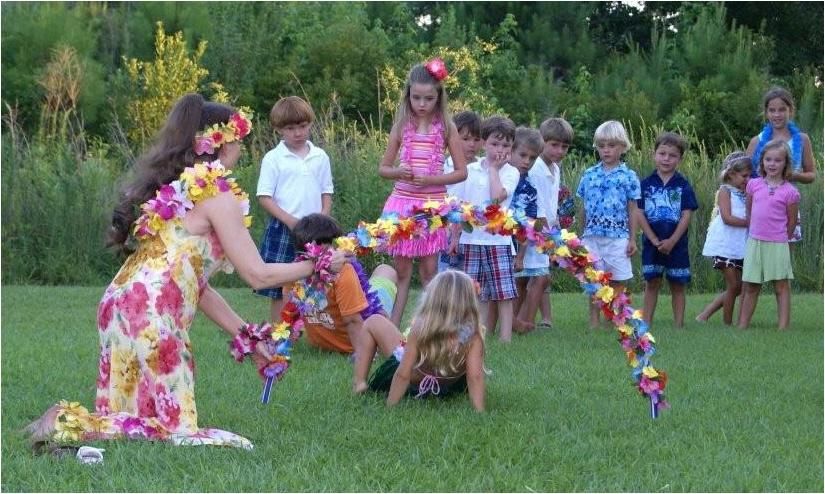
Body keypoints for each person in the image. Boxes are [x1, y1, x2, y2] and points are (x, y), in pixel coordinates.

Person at [24, 94, 348, 450]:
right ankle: (66, 422)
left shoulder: (177, 187)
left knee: (143, 423)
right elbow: (258, 275)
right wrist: (316, 265)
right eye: (239, 142)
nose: (242, 151)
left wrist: (250, 337)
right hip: (152, 313)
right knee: (181, 434)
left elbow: (200, 287)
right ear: (222, 144)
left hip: (121, 305)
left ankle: (72, 425)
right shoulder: (218, 196)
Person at [378, 58, 468, 327]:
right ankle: (392, 328)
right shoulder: (401, 126)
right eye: (416, 97)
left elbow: (462, 171)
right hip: (402, 204)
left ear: (438, 97)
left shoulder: (447, 128)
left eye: (428, 98)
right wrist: (398, 172)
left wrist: (430, 178)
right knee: (402, 271)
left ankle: (430, 328)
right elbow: (383, 168)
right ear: (408, 95)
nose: (421, 104)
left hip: (433, 207)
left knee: (430, 272)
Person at [352, 270, 486, 412]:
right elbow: (475, 376)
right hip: (449, 386)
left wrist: (390, 407)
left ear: (433, 299)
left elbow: (403, 374)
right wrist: (479, 411)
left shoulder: (421, 327)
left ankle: (359, 383)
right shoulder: (473, 334)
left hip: (414, 384)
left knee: (373, 322)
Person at [255, 96, 334, 323]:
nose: (298, 133)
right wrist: (290, 221)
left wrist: (323, 219)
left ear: (310, 124)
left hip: (316, 230)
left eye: (302, 126)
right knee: (280, 285)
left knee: (317, 279)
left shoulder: (320, 156)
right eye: (290, 128)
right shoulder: (274, 158)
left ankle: (317, 330)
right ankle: (279, 333)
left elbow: (326, 191)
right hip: (284, 228)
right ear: (279, 129)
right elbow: (264, 197)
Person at [449, 116, 520, 342]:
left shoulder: (511, 172)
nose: (500, 149)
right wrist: (454, 236)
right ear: (484, 143)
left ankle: (505, 338)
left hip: (498, 241)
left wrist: (494, 170)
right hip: (471, 240)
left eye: (506, 145)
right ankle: (473, 335)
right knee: (472, 291)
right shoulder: (468, 170)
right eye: (495, 144)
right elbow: (457, 206)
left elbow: (497, 198)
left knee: (503, 292)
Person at [290, 213, 398, 355]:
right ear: (322, 245)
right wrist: (365, 355)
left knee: (383, 273)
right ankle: (389, 326)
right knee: (386, 271)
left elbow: (289, 315)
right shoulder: (342, 271)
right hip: (355, 342)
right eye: (333, 242)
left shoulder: (293, 272)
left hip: (328, 342)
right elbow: (353, 321)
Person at [576, 120, 641, 328]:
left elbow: (633, 209)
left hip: (618, 236)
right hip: (592, 236)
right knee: (594, 279)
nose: (606, 150)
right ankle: (593, 322)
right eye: (601, 145)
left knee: (618, 280)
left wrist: (632, 238)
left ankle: (614, 318)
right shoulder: (589, 175)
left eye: (611, 145)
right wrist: (580, 236)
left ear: (622, 147)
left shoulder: (629, 176)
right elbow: (583, 207)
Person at [636, 132, 698, 328]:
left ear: (680, 159)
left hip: (676, 244)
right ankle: (646, 324)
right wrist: (653, 239)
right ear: (654, 154)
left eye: (672, 155)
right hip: (651, 244)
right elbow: (639, 213)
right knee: (651, 283)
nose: (666, 159)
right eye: (662, 153)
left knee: (677, 285)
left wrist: (672, 240)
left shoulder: (683, 186)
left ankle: (678, 325)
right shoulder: (645, 184)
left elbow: (686, 215)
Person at [738, 139, 800, 330]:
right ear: (762, 162)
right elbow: (749, 210)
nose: (772, 164)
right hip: (755, 241)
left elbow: (791, 222)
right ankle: (742, 326)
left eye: (777, 160)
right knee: (751, 286)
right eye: (768, 160)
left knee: (781, 286)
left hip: (777, 243)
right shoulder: (754, 185)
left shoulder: (791, 192)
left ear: (785, 164)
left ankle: (782, 327)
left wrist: (781, 238)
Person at [746, 87, 816, 243]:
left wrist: (793, 175)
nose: (777, 115)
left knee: (784, 258)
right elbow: (745, 176)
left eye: (782, 110)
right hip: (761, 207)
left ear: (790, 110)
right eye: (772, 110)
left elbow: (811, 175)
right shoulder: (756, 141)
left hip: (787, 205)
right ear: (766, 113)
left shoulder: (802, 139)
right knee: (759, 256)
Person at [696, 152, 752, 325]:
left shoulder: (747, 192)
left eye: (749, 176)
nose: (748, 179)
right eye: (744, 176)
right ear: (731, 174)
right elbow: (727, 218)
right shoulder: (724, 191)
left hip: (739, 245)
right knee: (734, 285)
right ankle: (727, 323)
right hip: (725, 245)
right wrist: (751, 223)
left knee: (739, 287)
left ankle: (704, 315)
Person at [533, 117, 575, 330]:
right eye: (554, 145)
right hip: (535, 228)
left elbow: (552, 200)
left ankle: (546, 318)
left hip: (550, 226)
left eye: (564, 147)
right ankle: (525, 318)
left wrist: (557, 223)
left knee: (544, 274)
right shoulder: (536, 167)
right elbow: (538, 201)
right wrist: (544, 229)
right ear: (542, 141)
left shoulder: (556, 168)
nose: (559, 151)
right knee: (536, 275)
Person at [510, 127, 548, 333]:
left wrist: (521, 256)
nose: (527, 161)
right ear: (511, 151)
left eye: (532, 158)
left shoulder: (529, 188)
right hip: (491, 238)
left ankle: (515, 324)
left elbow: (529, 226)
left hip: (516, 242)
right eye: (522, 155)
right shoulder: (498, 176)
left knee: (515, 283)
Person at [438, 110, 482, 273]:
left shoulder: (483, 166)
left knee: (471, 277)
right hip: (448, 227)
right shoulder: (444, 166)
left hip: (474, 230)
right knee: (446, 273)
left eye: (477, 139)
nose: (472, 144)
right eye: (466, 139)